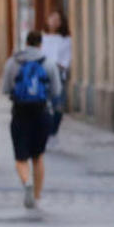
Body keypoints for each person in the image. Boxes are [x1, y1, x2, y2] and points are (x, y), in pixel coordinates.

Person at [1, 31, 63, 210]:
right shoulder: (48, 63)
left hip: (19, 113)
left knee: (21, 158)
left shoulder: (13, 62)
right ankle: (36, 195)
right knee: (38, 156)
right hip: (41, 113)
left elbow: (6, 89)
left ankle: (26, 181)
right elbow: (56, 91)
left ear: (26, 43)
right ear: (40, 44)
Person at [40, 9, 72, 138]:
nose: (53, 22)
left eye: (57, 20)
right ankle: (45, 132)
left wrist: (59, 66)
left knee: (58, 106)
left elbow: (67, 59)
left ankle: (53, 131)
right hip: (42, 74)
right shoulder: (42, 37)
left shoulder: (66, 39)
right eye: (51, 18)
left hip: (58, 75)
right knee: (43, 105)